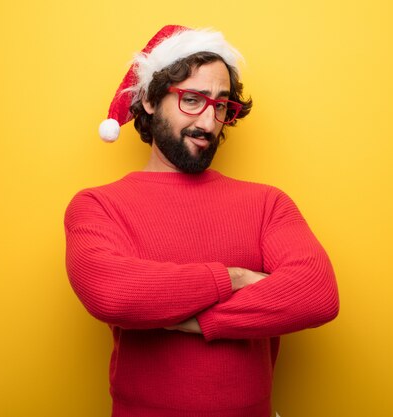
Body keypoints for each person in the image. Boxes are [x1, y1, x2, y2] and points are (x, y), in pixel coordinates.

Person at [64, 25, 339, 417]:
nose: (209, 124)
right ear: (148, 99)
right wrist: (235, 278)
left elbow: (316, 295)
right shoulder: (99, 205)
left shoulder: (266, 202)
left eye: (221, 106)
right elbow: (111, 292)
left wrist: (193, 320)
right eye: (192, 100)